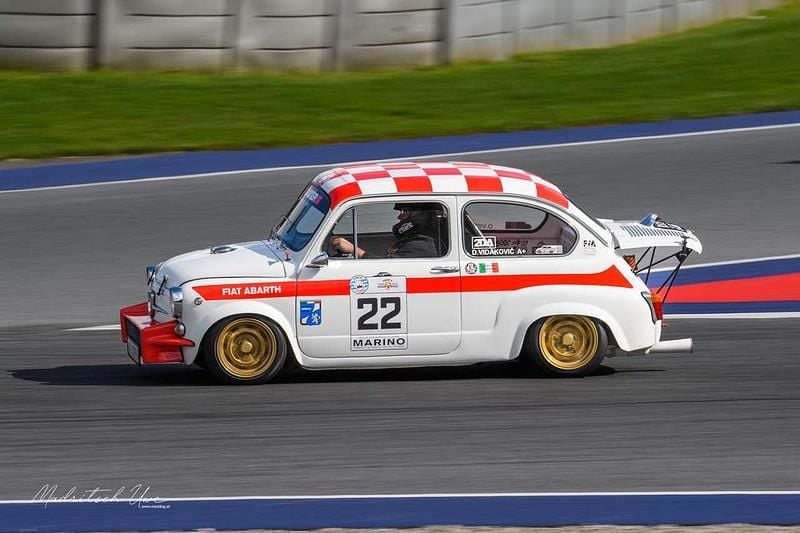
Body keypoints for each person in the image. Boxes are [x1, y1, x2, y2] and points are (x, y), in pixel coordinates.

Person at [330, 203, 442, 259]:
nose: (399, 217)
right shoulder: (414, 240)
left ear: (418, 215)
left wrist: (354, 250)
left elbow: (386, 273)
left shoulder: (421, 246)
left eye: (404, 212)